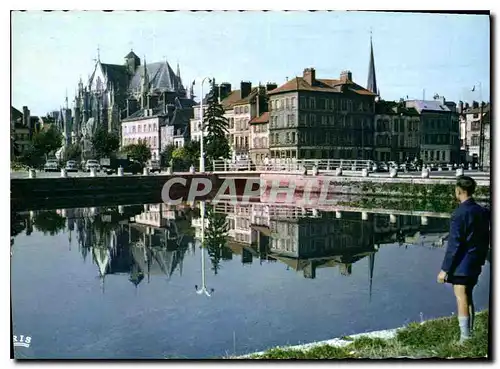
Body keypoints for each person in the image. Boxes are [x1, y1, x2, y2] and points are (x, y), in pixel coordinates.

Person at [437, 176, 490, 343]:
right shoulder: (481, 211)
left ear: (459, 190)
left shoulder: (459, 214)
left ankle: (465, 338)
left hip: (462, 264)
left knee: (461, 297)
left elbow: (454, 245)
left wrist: (444, 269)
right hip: (476, 260)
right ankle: (470, 332)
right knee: (469, 297)